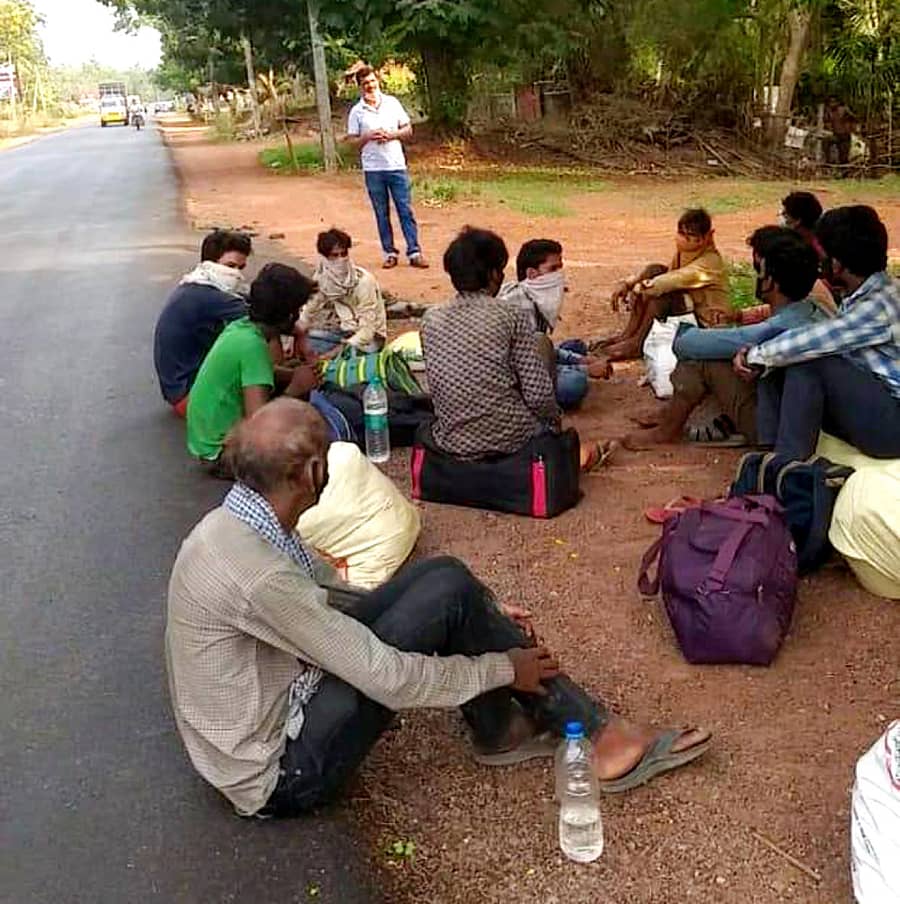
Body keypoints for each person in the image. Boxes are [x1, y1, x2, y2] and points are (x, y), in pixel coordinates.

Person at [165, 397, 712, 817]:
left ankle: (503, 730)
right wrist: (501, 668)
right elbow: (387, 678)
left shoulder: (241, 525)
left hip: (269, 714)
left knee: (445, 580)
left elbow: (329, 598)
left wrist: (473, 609)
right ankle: (593, 734)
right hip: (281, 772)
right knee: (444, 602)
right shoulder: (257, 572)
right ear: (311, 475)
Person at [421, 227, 610, 469]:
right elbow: (539, 396)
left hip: (452, 440)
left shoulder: (431, 318)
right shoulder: (510, 315)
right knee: (542, 345)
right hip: (511, 437)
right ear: (493, 274)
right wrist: (554, 426)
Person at [624, 228, 826, 449]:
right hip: (796, 418)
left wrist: (702, 333)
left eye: (757, 269)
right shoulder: (811, 309)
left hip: (776, 431)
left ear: (771, 281)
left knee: (699, 359)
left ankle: (667, 430)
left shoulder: (776, 328)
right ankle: (671, 418)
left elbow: (686, 344)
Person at [734, 205, 900, 459]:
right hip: (878, 405)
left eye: (822, 257)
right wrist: (763, 353)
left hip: (893, 425)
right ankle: (770, 453)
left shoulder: (880, 303)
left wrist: (754, 356)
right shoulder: (867, 294)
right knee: (784, 352)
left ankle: (786, 464)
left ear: (838, 263)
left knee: (806, 360)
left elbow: (817, 341)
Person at [186, 263, 319, 476]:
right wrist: (296, 387)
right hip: (220, 454)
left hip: (207, 442)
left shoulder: (241, 327)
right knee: (302, 444)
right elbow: (259, 424)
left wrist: (294, 374)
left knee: (293, 369)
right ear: (288, 316)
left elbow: (261, 374)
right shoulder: (253, 347)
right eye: (298, 311)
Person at [600, 209, 731, 361]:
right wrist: (628, 284)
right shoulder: (687, 252)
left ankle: (637, 343)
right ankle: (627, 335)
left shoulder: (710, 262)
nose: (683, 240)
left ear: (707, 236)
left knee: (662, 296)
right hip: (689, 309)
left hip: (706, 325)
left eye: (690, 236)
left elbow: (672, 280)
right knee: (654, 270)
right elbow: (665, 274)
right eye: (681, 233)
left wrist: (639, 288)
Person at [499, 239, 611, 410]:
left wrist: (581, 360)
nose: (558, 276)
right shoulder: (521, 306)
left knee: (576, 347)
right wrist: (585, 370)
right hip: (513, 376)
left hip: (528, 360)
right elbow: (529, 364)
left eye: (559, 268)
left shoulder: (531, 297)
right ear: (532, 274)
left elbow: (540, 348)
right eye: (552, 269)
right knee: (574, 384)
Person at [153, 229, 252, 417]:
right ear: (211, 264)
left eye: (241, 268)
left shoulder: (196, 285)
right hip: (191, 397)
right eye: (230, 266)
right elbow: (264, 317)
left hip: (180, 391)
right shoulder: (206, 296)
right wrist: (299, 333)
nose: (236, 274)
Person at [345, 67, 428, 270]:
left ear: (378, 81)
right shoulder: (357, 111)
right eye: (365, 83)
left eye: (372, 81)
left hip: (396, 165)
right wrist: (367, 136)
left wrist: (390, 135)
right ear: (360, 86)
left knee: (405, 209)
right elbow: (352, 141)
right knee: (381, 212)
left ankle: (414, 251)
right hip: (373, 168)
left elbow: (407, 129)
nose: (370, 86)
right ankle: (389, 252)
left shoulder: (392, 103)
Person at [299, 228, 388, 357]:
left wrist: (339, 350)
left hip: (371, 338)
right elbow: (308, 311)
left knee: (339, 355)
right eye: (335, 255)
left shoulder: (363, 281)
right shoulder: (323, 280)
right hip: (345, 332)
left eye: (344, 254)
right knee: (306, 342)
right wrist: (298, 338)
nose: (341, 260)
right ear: (324, 258)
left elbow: (368, 330)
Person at [779, 190, 837, 313]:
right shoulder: (803, 240)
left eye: (786, 214)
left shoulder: (823, 245)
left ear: (798, 221)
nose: (783, 216)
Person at [826, 97, 857, 167]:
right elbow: (827, 121)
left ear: (837, 103)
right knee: (828, 143)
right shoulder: (829, 111)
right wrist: (830, 128)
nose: (832, 104)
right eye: (830, 102)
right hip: (836, 134)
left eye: (833, 102)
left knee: (844, 155)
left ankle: (844, 168)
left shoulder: (843, 109)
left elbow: (853, 118)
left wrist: (851, 127)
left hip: (845, 134)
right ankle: (831, 163)